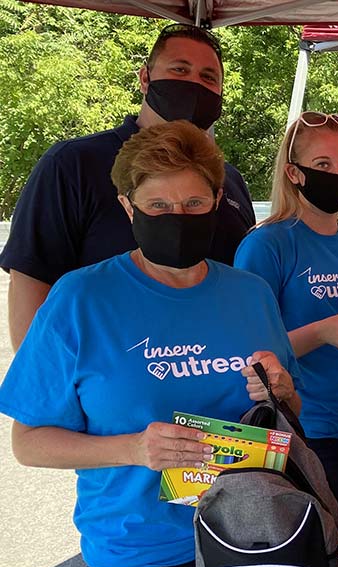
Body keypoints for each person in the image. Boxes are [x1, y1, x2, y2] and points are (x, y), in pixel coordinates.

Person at [0, 121, 299, 567]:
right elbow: (29, 442)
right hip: (138, 551)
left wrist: (283, 392)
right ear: (127, 206)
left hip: (254, 533)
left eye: (193, 204)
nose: (176, 218)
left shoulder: (250, 293)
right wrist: (133, 449)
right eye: (158, 206)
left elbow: (286, 413)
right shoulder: (81, 299)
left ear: (216, 200)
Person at [0, 23, 255, 350]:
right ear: (145, 78)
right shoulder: (74, 164)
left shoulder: (229, 181)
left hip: (217, 378)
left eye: (208, 78)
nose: (194, 84)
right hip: (106, 385)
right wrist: (48, 385)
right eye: (180, 70)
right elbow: (32, 277)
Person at [234, 112, 338, 522]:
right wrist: (322, 332)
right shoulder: (266, 246)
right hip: (308, 430)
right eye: (322, 165)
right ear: (294, 172)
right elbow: (250, 352)